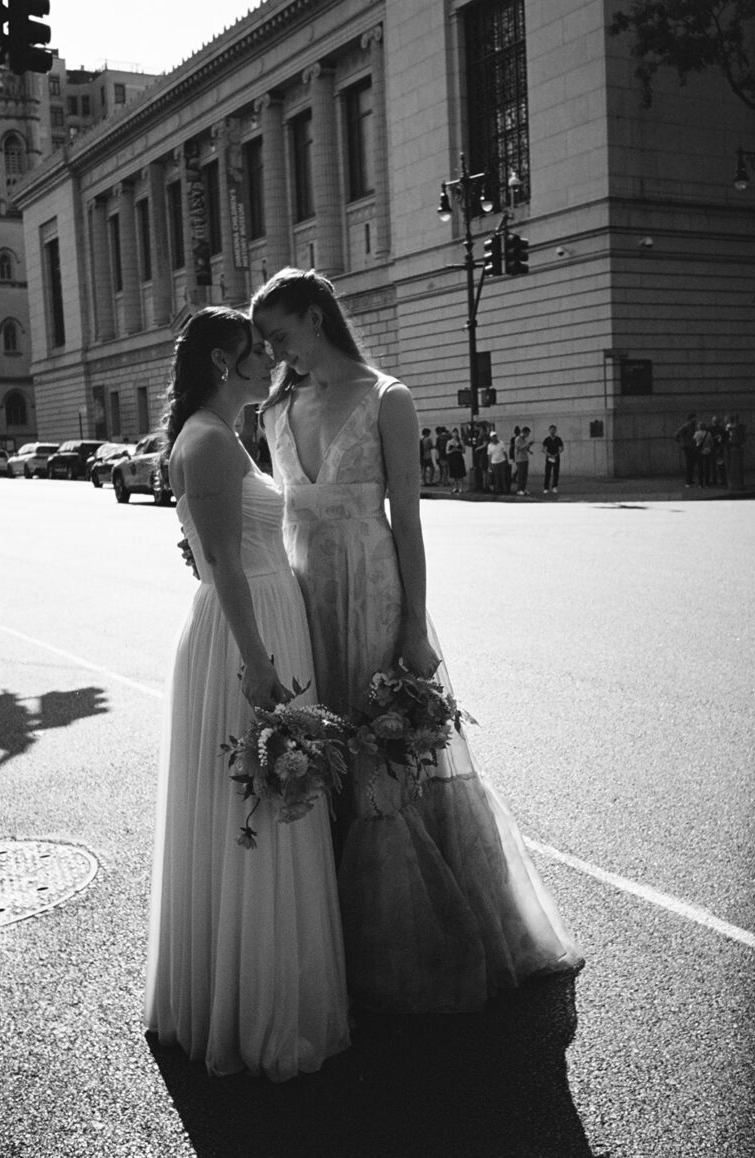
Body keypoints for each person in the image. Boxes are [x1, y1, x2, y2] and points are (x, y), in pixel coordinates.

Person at [252, 268, 583, 1014]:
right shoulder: (276, 409)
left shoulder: (386, 399)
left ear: (315, 317)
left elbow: (408, 517)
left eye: (279, 334)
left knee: (383, 757)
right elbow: (271, 514)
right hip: (303, 602)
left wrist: (412, 621)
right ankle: (329, 940)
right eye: (266, 342)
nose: (274, 353)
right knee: (320, 750)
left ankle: (399, 946)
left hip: (373, 594)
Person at [144, 306, 349, 1079]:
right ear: (223, 363)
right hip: (247, 629)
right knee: (255, 799)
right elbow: (224, 565)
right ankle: (255, 999)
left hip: (262, 616)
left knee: (264, 795)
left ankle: (261, 978)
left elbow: (210, 546)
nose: (270, 362)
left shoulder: (220, 436)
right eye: (257, 353)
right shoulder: (206, 439)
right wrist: (258, 662)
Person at [674, 412, 697, 488]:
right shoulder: (687, 426)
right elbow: (677, 434)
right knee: (689, 464)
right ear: (691, 418)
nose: (696, 419)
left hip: (691, 446)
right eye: (694, 418)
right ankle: (688, 481)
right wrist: (682, 442)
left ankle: (690, 480)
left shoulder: (692, 426)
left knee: (692, 463)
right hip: (688, 446)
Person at [542, 425, 564, 493]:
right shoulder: (547, 439)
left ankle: (554, 487)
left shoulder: (558, 439)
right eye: (551, 430)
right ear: (549, 430)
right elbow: (544, 449)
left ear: (555, 430)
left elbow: (561, 448)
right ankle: (546, 488)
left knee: (556, 472)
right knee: (547, 473)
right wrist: (548, 454)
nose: (552, 431)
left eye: (553, 430)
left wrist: (556, 454)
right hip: (549, 458)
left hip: (556, 457)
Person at [693, 420, 714, 488]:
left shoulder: (696, 433)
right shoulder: (708, 433)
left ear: (699, 427)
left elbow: (694, 441)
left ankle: (700, 484)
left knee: (700, 467)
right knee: (707, 467)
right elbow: (711, 442)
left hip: (699, 451)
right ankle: (707, 483)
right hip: (707, 451)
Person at [446, 427, 467, 493]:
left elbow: (464, 451)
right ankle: (455, 487)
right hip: (452, 459)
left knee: (460, 474)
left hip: (459, 458)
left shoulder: (460, 441)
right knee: (454, 474)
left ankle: (461, 488)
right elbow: (447, 451)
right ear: (452, 434)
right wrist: (452, 450)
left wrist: (458, 450)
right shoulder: (449, 442)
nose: (455, 434)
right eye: (454, 433)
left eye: (456, 433)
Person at [514, 426, 533, 495]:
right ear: (524, 432)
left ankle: (523, 488)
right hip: (520, 459)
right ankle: (519, 490)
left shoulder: (524, 439)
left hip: (525, 459)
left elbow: (525, 448)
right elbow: (519, 448)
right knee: (521, 475)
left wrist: (529, 448)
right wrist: (527, 444)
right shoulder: (518, 439)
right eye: (527, 433)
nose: (528, 435)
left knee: (525, 475)